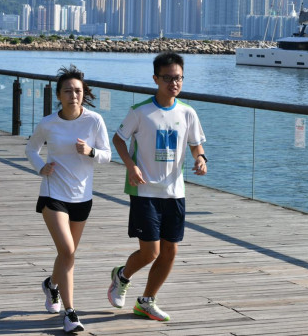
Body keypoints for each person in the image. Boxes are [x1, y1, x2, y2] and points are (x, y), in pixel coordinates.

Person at [108, 51, 207, 322]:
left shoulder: (188, 113)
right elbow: (118, 139)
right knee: (150, 251)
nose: (173, 83)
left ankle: (147, 301)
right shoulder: (140, 111)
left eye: (178, 78)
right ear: (155, 79)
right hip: (145, 190)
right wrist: (131, 165)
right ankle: (122, 275)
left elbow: (196, 143)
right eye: (168, 78)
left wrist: (200, 158)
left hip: (174, 192)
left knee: (170, 251)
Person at [25, 64, 111, 333]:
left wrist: (90, 152)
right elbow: (31, 147)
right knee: (69, 251)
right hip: (53, 193)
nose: (74, 95)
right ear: (59, 95)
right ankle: (70, 313)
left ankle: (52, 285)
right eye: (68, 91)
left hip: (82, 196)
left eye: (78, 91)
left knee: (66, 253)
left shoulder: (94, 121)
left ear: (84, 93)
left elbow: (107, 155)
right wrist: (40, 167)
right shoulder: (48, 123)